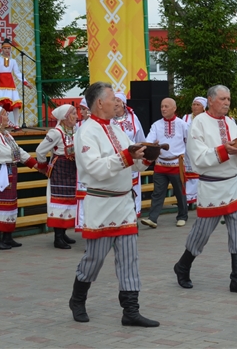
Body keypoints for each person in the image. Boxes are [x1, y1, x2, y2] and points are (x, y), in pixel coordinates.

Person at [69, 81, 159, 327]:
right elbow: (95, 168)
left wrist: (146, 158)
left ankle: (130, 310)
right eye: (113, 98)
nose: (117, 102)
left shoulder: (117, 128)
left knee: (129, 257)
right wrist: (129, 156)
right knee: (94, 258)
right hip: (101, 202)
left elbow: (131, 162)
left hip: (124, 202)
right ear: (100, 102)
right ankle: (78, 298)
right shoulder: (86, 131)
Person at [173, 84, 237, 294]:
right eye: (222, 99)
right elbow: (198, 158)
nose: (227, 103)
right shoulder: (198, 123)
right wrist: (223, 150)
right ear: (210, 100)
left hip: (231, 183)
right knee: (202, 232)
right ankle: (183, 266)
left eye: (228, 99)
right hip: (211, 186)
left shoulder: (230, 122)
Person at [0, 105, 39, 250]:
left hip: (9, 171)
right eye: (4, 114)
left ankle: (7, 237)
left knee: (9, 204)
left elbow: (19, 152)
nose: (7, 116)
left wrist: (35, 164)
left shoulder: (6, 134)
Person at [140, 98, 188, 229]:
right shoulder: (156, 125)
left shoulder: (182, 124)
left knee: (179, 191)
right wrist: (151, 145)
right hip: (160, 164)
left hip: (176, 163)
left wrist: (187, 158)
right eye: (162, 106)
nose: (163, 109)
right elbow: (149, 140)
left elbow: (190, 142)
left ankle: (182, 216)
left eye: (166, 106)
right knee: (157, 192)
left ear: (174, 108)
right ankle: (153, 219)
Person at [36, 104, 79, 249]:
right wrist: (43, 167)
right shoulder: (56, 132)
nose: (77, 116)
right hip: (60, 170)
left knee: (69, 202)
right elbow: (40, 151)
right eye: (73, 114)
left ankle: (63, 232)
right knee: (59, 202)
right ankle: (58, 237)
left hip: (71, 169)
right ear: (65, 117)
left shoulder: (74, 130)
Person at [111, 92, 146, 217]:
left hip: (133, 161)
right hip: (117, 161)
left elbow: (140, 137)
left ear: (123, 103)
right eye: (113, 100)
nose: (115, 103)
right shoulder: (109, 120)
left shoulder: (133, 118)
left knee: (134, 189)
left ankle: (133, 218)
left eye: (118, 101)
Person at [0, 39, 32, 129]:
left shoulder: (13, 61)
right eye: (5, 48)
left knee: (15, 103)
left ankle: (16, 124)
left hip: (10, 84)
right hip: (1, 83)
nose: (7, 50)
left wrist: (25, 83)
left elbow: (17, 73)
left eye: (9, 48)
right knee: (1, 103)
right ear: (2, 49)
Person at [182, 96, 207, 206]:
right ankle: (187, 199)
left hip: (200, 148)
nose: (195, 107)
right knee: (188, 175)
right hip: (187, 149)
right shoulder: (186, 118)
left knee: (198, 174)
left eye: (198, 105)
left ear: (203, 107)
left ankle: (199, 199)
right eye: (194, 104)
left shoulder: (206, 118)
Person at [75, 98, 90, 233]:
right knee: (83, 200)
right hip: (83, 167)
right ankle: (85, 230)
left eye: (83, 109)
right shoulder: (78, 126)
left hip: (95, 167)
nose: (81, 112)